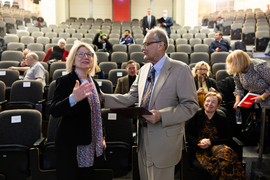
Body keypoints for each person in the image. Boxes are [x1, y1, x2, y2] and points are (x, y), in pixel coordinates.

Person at [102, 27, 199, 180]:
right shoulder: (144, 70)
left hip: (164, 141)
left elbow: (191, 106)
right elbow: (130, 97)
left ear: (161, 45)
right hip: (143, 138)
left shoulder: (180, 69)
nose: (142, 48)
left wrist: (162, 115)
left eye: (147, 44)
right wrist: (102, 97)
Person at [50, 42, 106, 180]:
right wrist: (73, 99)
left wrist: (102, 136)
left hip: (91, 142)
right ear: (73, 59)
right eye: (80, 54)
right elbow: (54, 110)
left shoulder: (93, 83)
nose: (85, 57)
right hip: (70, 145)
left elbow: (96, 113)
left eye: (89, 54)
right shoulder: (64, 81)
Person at [186, 92, 247, 179]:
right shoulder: (195, 116)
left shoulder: (222, 118)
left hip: (218, 146)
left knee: (227, 153)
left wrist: (211, 142)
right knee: (227, 164)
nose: (210, 104)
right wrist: (199, 141)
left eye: (213, 102)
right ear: (204, 102)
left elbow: (228, 138)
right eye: (208, 101)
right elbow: (188, 134)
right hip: (201, 149)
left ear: (218, 106)